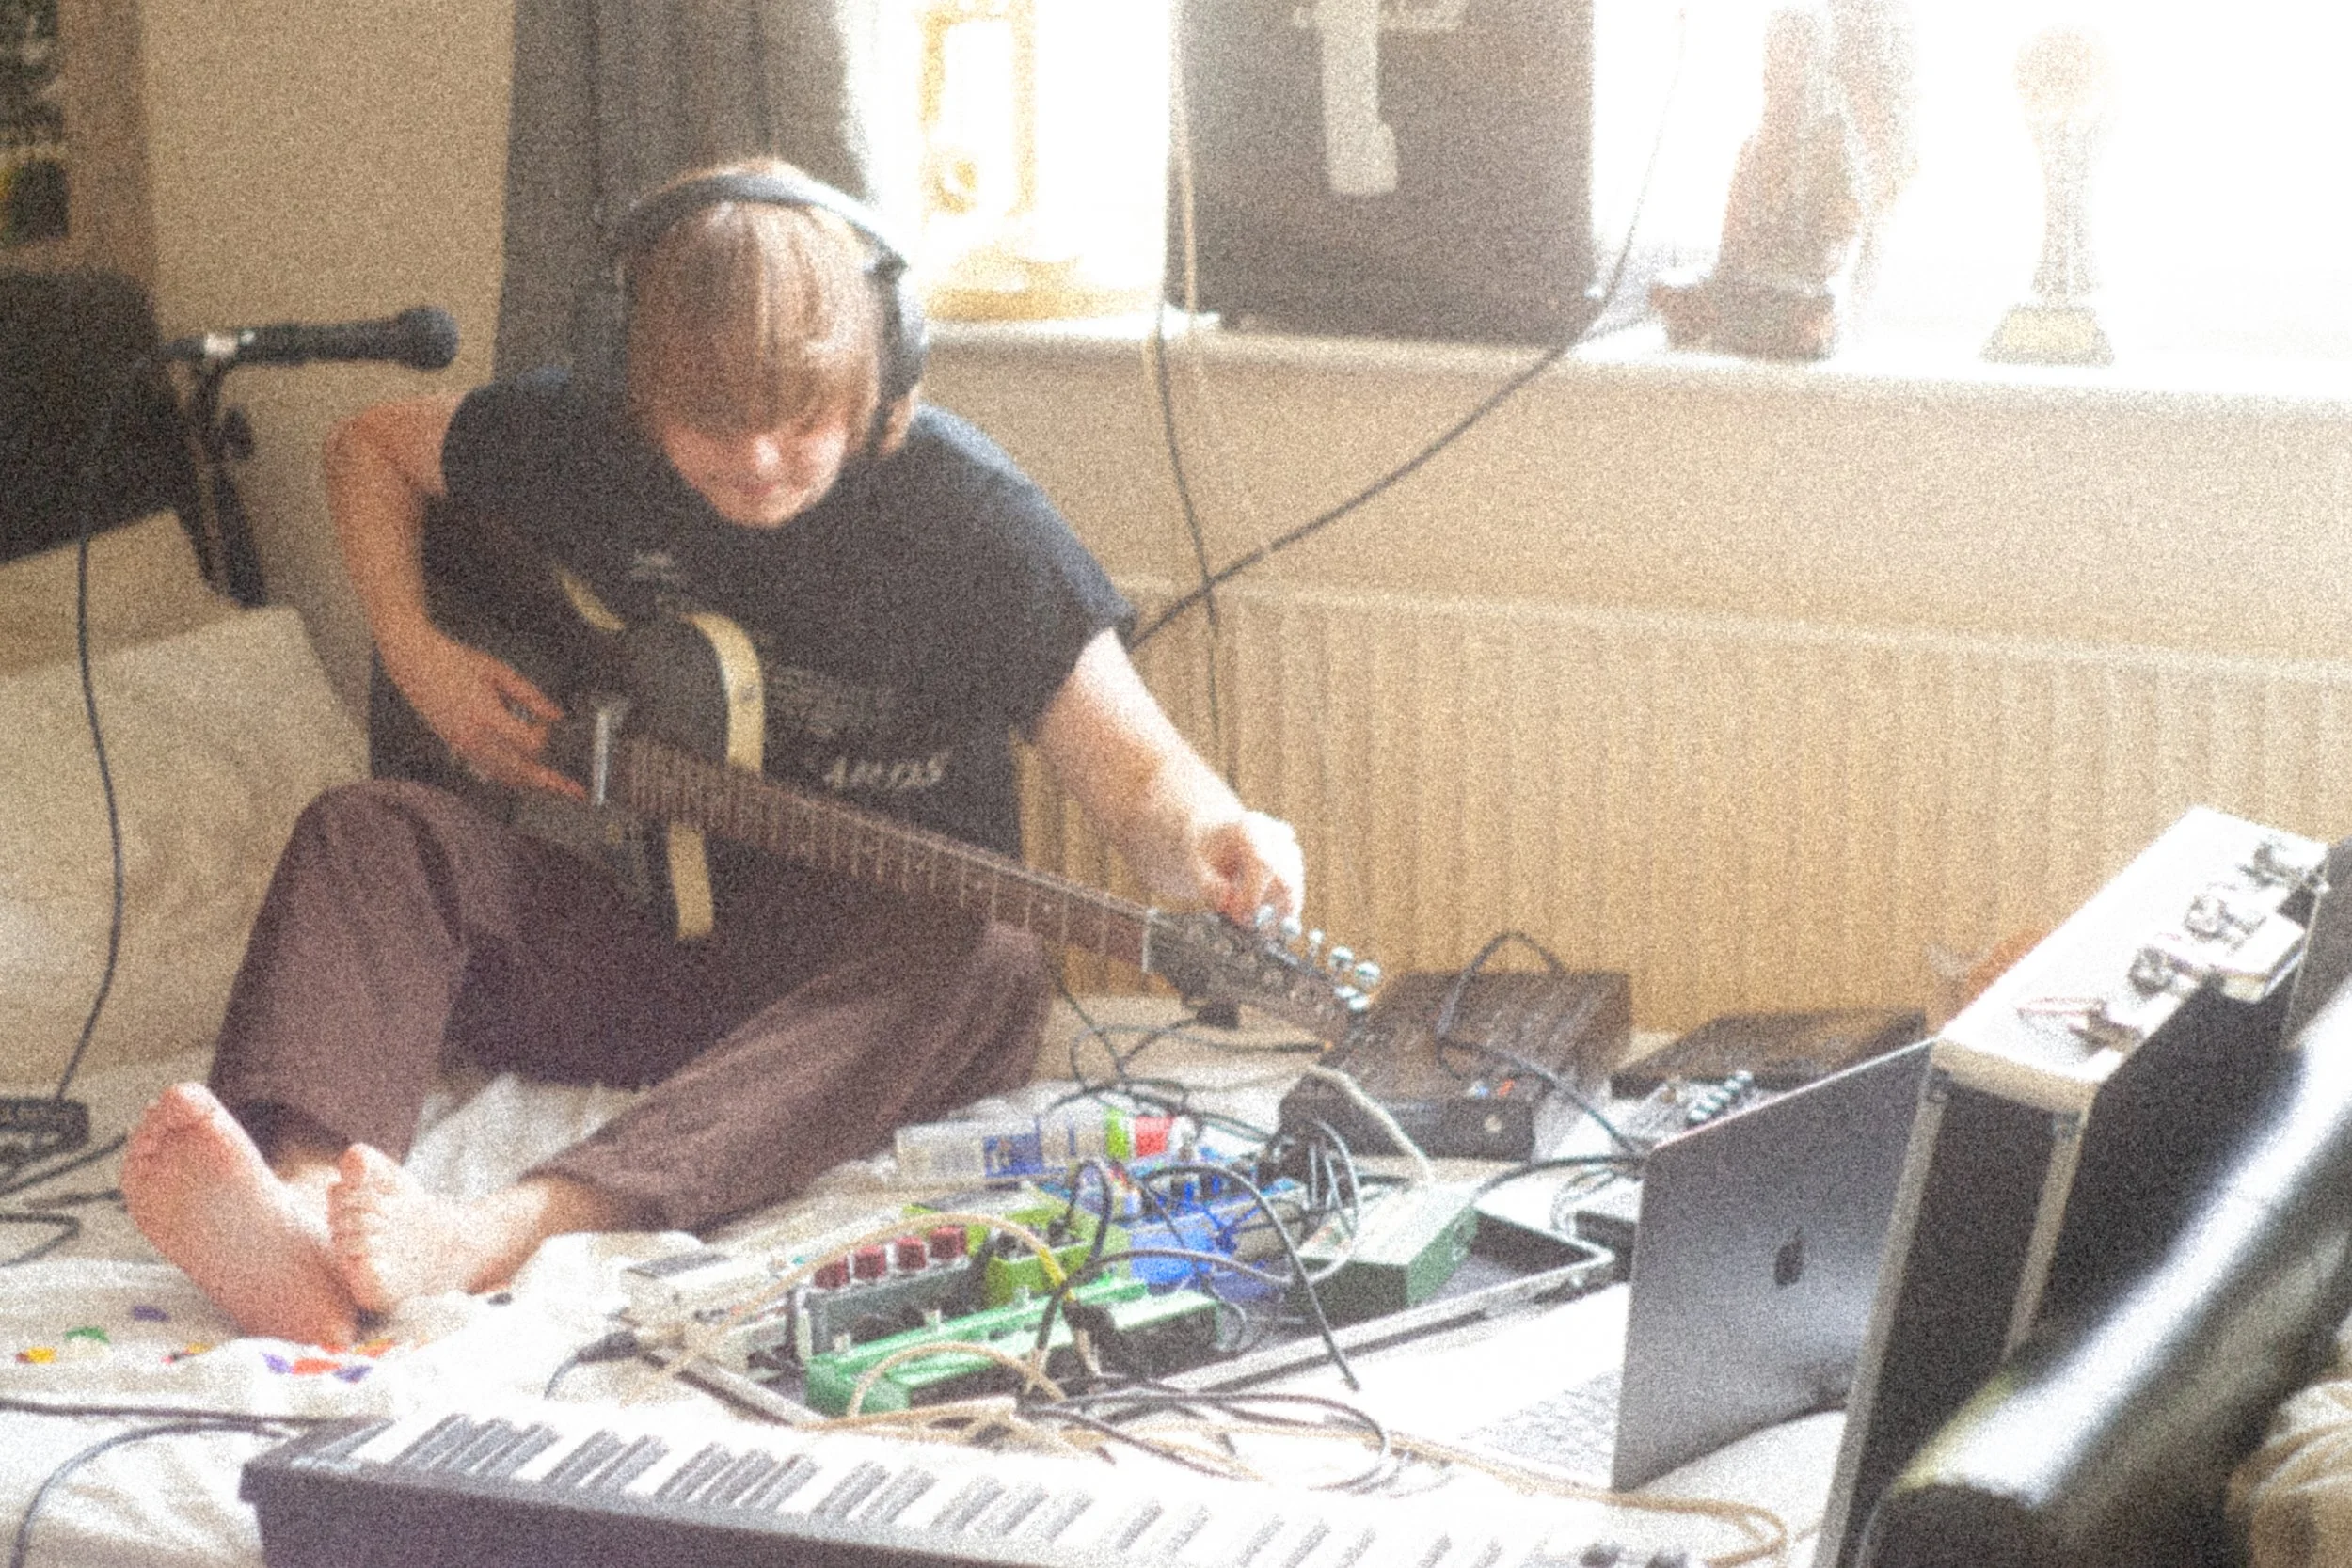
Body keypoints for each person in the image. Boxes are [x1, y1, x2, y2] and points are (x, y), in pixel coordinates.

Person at [119, 159, 1305, 1348]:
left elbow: (1140, 775)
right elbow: (368, 447)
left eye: (803, 422)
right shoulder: (581, 443)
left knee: (993, 959)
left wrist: (1223, 838)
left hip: (836, 1002)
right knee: (365, 829)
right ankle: (306, 1206)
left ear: (879, 378)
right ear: (632, 384)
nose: (758, 463)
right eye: (711, 425)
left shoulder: (973, 523)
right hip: (626, 941)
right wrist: (416, 647)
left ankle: (505, 1227)